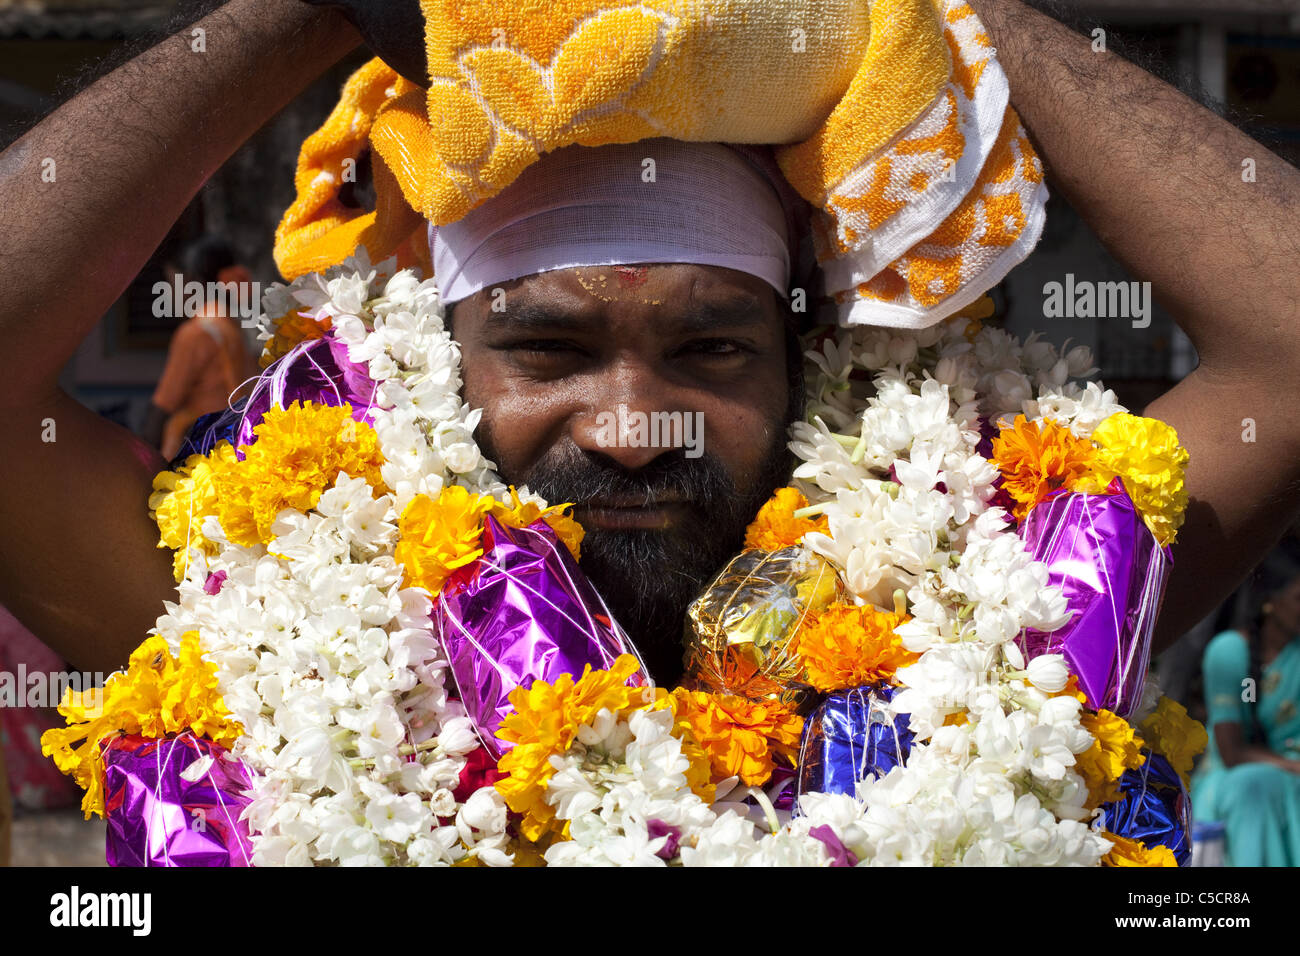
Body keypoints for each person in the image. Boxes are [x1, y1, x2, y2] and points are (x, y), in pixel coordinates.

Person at [1, 0, 1300, 688]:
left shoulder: (983, 612)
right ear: (433, 355)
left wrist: (945, 23)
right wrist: (312, 7)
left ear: (809, 360)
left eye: (713, 351)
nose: (634, 425)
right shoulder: (269, 627)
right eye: (550, 352)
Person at [1192, 572, 1300, 866]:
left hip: (1287, 771)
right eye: (1298, 598)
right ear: (1269, 601)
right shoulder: (1232, 653)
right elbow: (1233, 751)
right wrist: (1293, 766)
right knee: (1253, 785)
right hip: (1236, 774)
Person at [142, 235, 257, 461]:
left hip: (202, 455)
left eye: (171, 282)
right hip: (236, 448)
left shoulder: (195, 334)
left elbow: (162, 407)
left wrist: (143, 456)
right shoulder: (233, 327)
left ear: (189, 281)